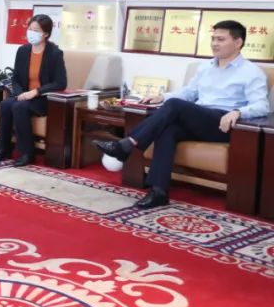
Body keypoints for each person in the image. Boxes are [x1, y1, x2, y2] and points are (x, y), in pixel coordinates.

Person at [97, 20, 270, 209]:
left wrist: (238, 112)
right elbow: (188, 93)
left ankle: (127, 144)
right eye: (213, 39)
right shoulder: (206, 67)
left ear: (238, 43)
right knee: (168, 129)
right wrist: (162, 96)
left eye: (221, 39)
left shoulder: (251, 72)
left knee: (174, 106)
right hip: (200, 118)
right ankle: (158, 192)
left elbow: (262, 106)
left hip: (223, 124)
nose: (214, 43)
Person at [0, 14, 67, 167]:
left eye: (36, 30)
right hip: (24, 94)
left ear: (45, 34)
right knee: (5, 105)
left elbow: (61, 82)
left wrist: (36, 92)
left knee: (19, 107)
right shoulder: (23, 51)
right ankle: (4, 149)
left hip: (43, 98)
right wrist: (19, 93)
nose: (31, 32)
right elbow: (16, 78)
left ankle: (27, 153)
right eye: (30, 28)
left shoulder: (55, 53)